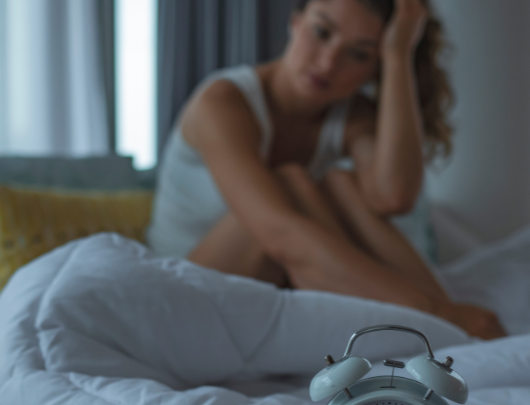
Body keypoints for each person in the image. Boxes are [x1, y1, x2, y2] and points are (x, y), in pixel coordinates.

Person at [147, 0, 505, 340]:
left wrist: (398, 56)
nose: (329, 63)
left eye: (360, 54)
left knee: (338, 183)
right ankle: (443, 323)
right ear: (295, 20)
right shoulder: (223, 102)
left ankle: (449, 324)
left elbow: (393, 196)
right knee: (288, 184)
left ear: (373, 67)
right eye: (322, 32)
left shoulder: (350, 116)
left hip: (267, 283)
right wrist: (434, 311)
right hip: (183, 290)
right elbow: (278, 234)